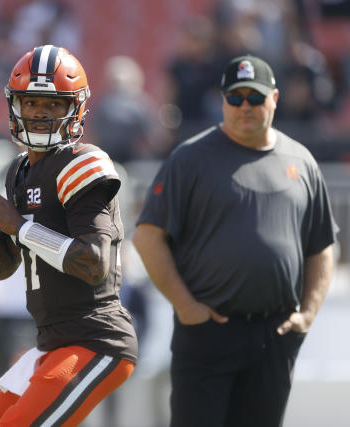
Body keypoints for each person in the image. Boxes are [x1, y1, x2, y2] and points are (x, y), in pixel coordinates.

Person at [132, 55, 337, 427]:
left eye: (255, 98)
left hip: (274, 335)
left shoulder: (301, 161)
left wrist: (307, 313)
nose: (245, 106)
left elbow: (321, 246)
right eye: (235, 97)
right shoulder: (189, 159)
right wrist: (186, 305)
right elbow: (148, 236)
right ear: (222, 100)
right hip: (208, 333)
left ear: (274, 98)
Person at [0, 45, 138, 426]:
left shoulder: (84, 163)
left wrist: (18, 226)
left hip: (96, 339)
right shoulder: (18, 171)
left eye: (53, 104)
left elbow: (94, 263)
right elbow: (2, 268)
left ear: (75, 109)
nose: (39, 113)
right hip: (52, 343)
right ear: (14, 105)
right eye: (32, 102)